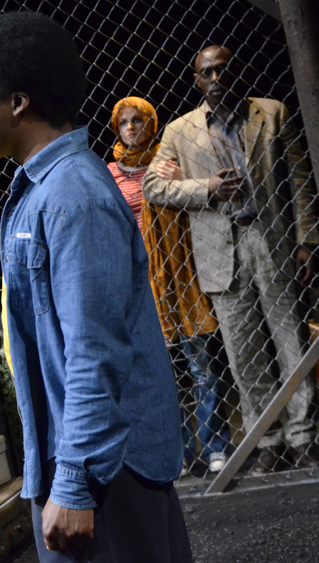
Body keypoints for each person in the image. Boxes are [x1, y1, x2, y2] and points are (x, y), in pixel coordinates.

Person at [0, 11, 191, 562]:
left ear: (17, 104)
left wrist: (74, 482)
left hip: (108, 473)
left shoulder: (74, 198)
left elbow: (94, 350)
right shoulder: (42, 190)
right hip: (82, 461)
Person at [142, 45, 319, 476]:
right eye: (207, 73)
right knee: (244, 355)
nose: (216, 79)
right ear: (196, 80)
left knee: (291, 341)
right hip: (218, 251)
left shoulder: (271, 113)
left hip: (270, 239)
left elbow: (300, 179)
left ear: (236, 71)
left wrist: (306, 241)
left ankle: (302, 438)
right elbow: (152, 186)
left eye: (222, 70)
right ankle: (268, 441)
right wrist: (204, 188)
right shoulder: (180, 131)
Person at [107, 96, 231, 475]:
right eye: (124, 122)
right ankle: (177, 453)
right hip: (139, 284)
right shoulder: (109, 173)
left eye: (138, 120)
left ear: (151, 122)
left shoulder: (168, 162)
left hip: (180, 277)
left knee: (201, 366)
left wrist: (180, 179)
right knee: (161, 374)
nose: (131, 127)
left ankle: (215, 445)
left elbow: (195, 198)